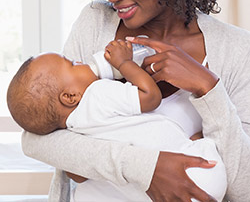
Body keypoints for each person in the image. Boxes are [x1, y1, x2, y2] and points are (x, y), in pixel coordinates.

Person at [21, 0, 250, 201]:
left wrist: (208, 89)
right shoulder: (95, 23)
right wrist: (148, 169)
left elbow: (243, 187)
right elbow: (39, 141)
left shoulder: (235, 51)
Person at [7, 42, 227, 201]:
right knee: (203, 144)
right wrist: (124, 63)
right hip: (201, 177)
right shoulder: (96, 94)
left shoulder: (72, 127)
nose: (81, 61)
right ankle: (199, 144)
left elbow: (78, 175)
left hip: (172, 188)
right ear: (70, 97)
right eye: (73, 64)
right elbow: (150, 97)